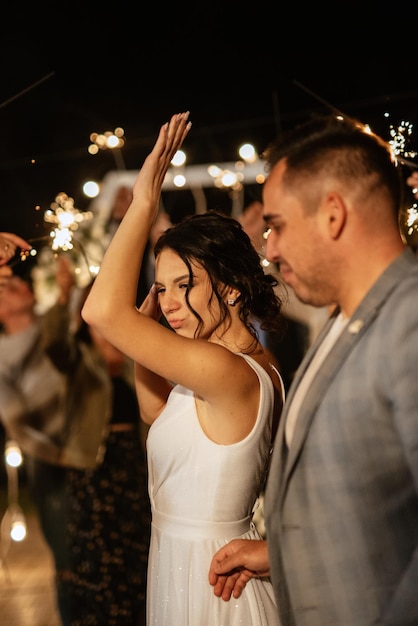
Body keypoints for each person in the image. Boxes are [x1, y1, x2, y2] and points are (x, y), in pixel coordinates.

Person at [208, 113, 418, 626]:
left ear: (332, 214)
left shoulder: (409, 320)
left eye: (276, 225)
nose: (269, 248)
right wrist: (278, 549)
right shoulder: (345, 318)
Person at [81, 112, 286, 625]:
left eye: (185, 284)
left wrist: (145, 199)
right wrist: (143, 343)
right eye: (163, 285)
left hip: (212, 580)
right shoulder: (239, 364)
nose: (169, 302)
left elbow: (100, 310)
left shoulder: (226, 369)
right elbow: (158, 413)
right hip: (182, 560)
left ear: (232, 287)